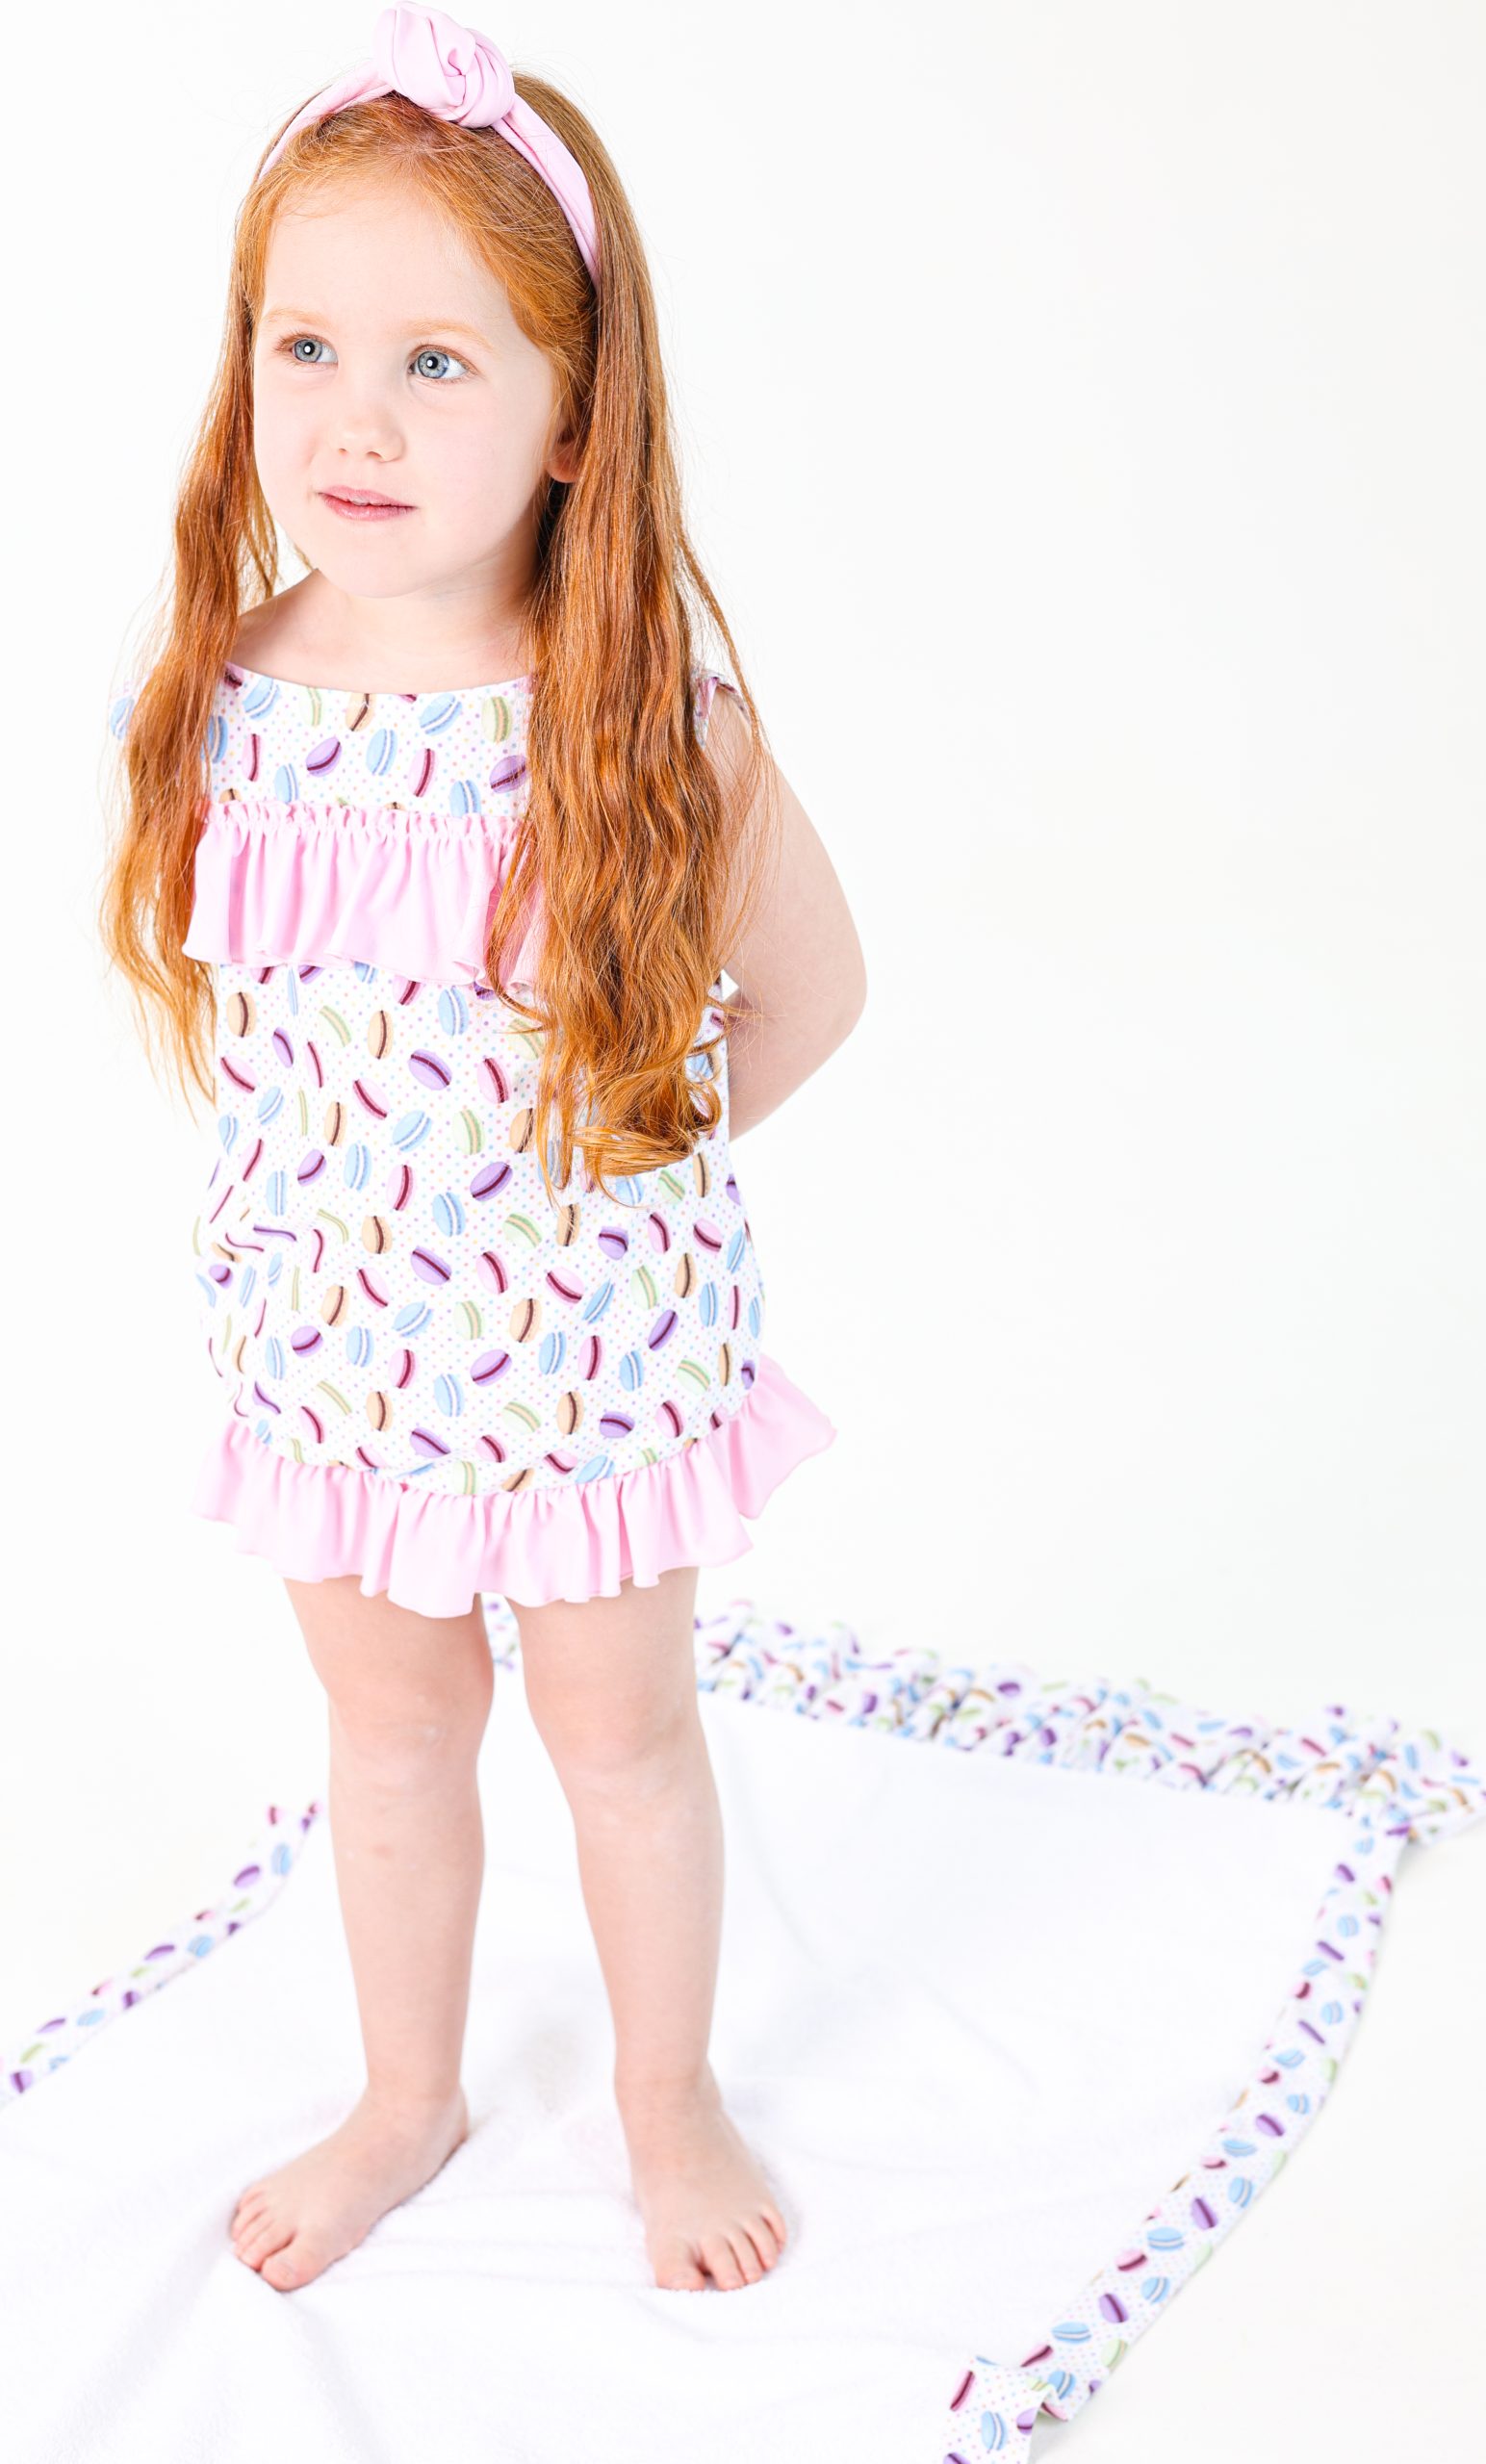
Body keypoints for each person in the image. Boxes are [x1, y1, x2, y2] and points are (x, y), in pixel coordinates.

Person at [99, 4, 865, 2302]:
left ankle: (663, 2093)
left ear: (569, 413)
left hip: (592, 1360)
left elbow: (812, 994)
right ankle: (404, 2092)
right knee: (391, 1726)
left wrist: (620, 1158)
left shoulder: (644, 722)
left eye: (437, 362)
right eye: (307, 344)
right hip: (334, 1351)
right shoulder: (221, 694)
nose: (353, 415)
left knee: (618, 1736)